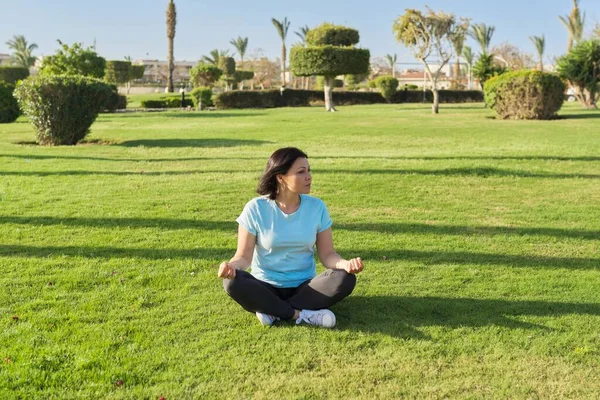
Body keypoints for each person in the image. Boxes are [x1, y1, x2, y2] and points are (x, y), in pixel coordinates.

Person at [218, 147, 364, 328]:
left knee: (345, 278)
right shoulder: (255, 208)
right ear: (280, 177)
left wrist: (345, 264)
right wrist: (231, 267)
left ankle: (272, 311)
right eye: (301, 172)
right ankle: (299, 314)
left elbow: (327, 254)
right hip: (265, 286)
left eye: (309, 170)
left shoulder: (317, 207)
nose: (309, 176)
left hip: (306, 287)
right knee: (232, 283)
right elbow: (244, 257)